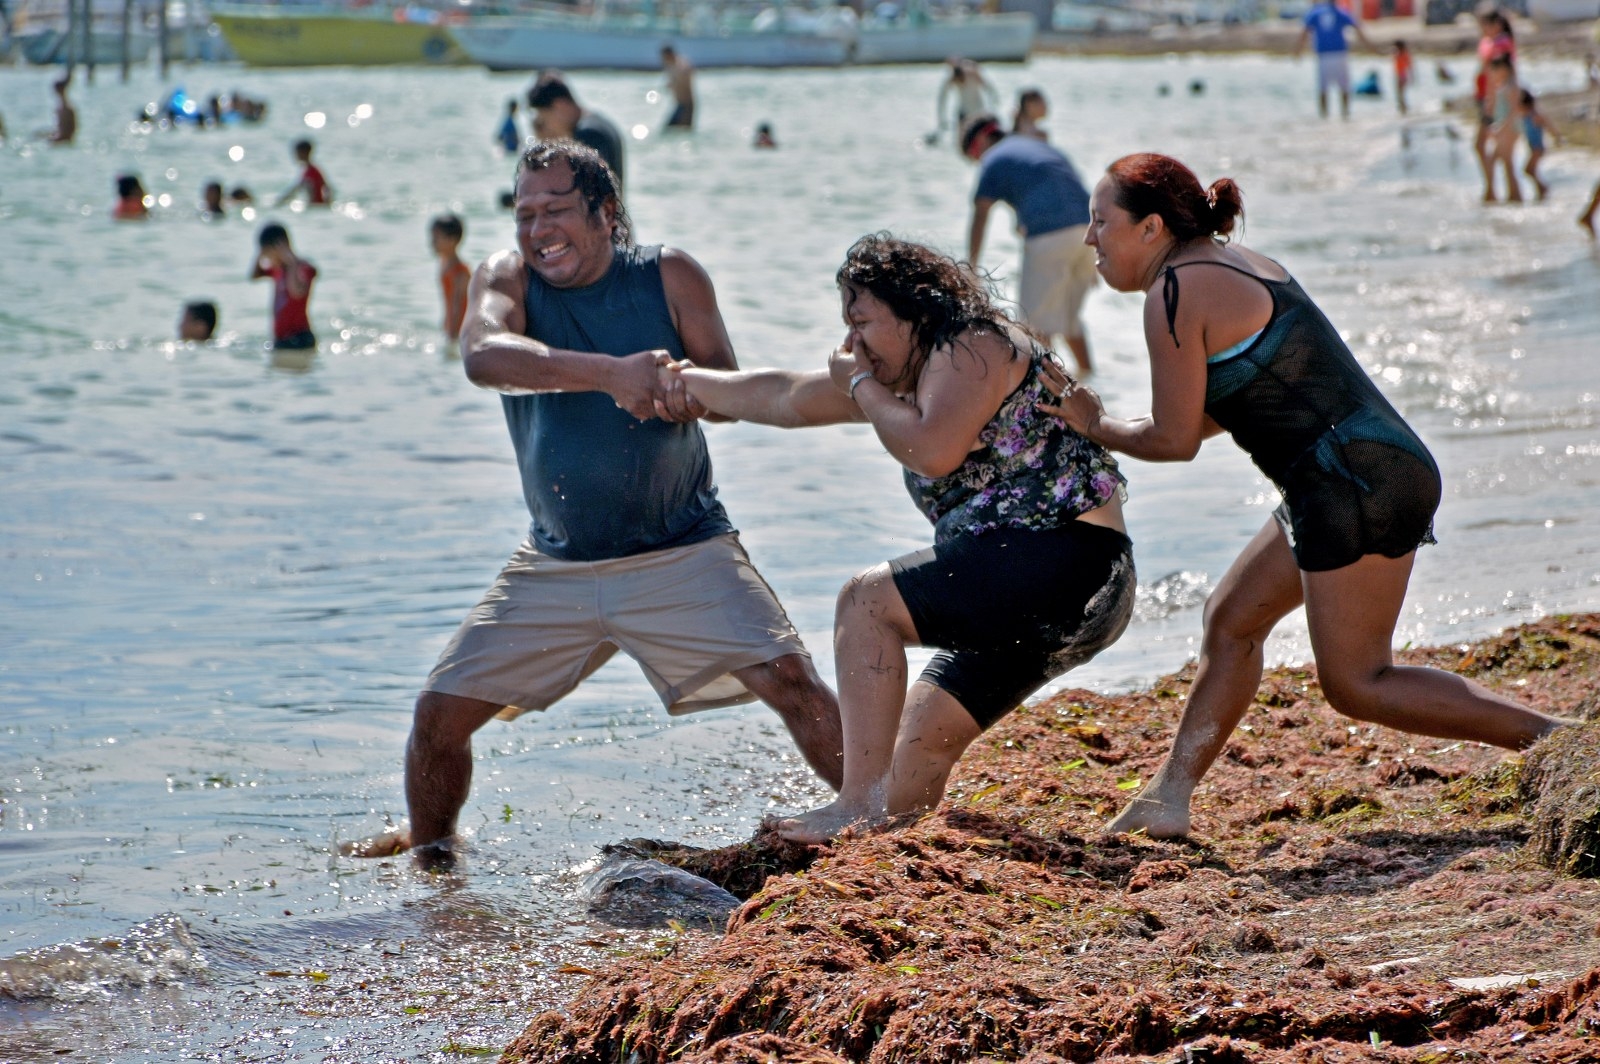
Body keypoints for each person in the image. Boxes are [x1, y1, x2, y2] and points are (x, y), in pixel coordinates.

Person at [1037, 153, 1571, 840]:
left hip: (1350, 480)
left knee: (1358, 682)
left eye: (1099, 222)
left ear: (1150, 228)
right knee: (1231, 619)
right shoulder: (1226, 262)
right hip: (1359, 469)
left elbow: (1176, 440)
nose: (1089, 240)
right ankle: (1168, 798)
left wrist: (1095, 424)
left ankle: (1556, 740)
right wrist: (1103, 427)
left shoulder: (1175, 290)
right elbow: (1217, 406)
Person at [339, 141, 843, 864]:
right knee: (437, 717)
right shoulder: (506, 278)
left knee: (793, 680)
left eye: (557, 210)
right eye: (525, 213)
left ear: (607, 214)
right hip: (557, 564)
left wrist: (680, 389)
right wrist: (611, 374)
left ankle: (881, 816)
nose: (538, 228)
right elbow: (484, 356)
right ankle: (432, 873)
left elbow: (725, 391)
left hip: (683, 547)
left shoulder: (669, 274)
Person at [659, 234, 1135, 843]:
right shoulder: (903, 384)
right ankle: (888, 849)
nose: (851, 345)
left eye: (861, 323)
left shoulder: (975, 345)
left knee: (866, 602)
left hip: (1070, 566)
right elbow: (783, 395)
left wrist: (861, 387)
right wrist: (686, 383)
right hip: (1037, 591)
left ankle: (852, 803)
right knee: (914, 758)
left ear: (915, 309)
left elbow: (933, 450)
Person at [962, 114, 1097, 378]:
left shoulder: (993, 158)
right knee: (1069, 320)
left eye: (974, 156)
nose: (978, 163)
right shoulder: (1032, 145)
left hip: (1050, 236)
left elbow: (980, 214)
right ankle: (1091, 381)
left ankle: (1045, 397)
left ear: (980, 143)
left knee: (1032, 327)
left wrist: (972, 268)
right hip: (1091, 231)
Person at [526, 73, 625, 188]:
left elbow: (583, 191)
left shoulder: (588, 134)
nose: (546, 129)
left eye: (543, 121)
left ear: (559, 106)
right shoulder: (597, 123)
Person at [1293, 0, 1376, 120]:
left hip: (1324, 55)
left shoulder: (1316, 12)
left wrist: (1298, 51)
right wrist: (1369, 47)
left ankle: (1324, 116)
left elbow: (1304, 32)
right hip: (1339, 53)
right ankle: (1345, 115)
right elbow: (1356, 27)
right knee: (1343, 87)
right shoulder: (1340, 11)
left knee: (1323, 89)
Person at [250, 222, 318, 351]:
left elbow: (297, 293)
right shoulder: (278, 270)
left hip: (299, 339)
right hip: (282, 339)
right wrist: (260, 253)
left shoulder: (303, 268)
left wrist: (291, 264)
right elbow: (254, 276)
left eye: (269, 253)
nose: (268, 258)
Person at [1472, 6, 1516, 204]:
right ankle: (1497, 192)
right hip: (1488, 99)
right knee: (1498, 151)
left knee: (1492, 148)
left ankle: (1492, 191)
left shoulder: (1502, 44)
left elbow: (1498, 75)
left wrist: (1491, 103)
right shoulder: (1489, 42)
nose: (1482, 28)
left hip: (1495, 100)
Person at [1483, 55, 1523, 204]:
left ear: (1505, 69)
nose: (1493, 73)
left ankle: (1515, 196)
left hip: (1509, 128)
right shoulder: (1504, 85)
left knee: (1503, 162)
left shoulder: (1511, 87)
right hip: (1504, 127)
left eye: (1495, 70)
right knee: (1504, 162)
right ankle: (1512, 196)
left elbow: (1514, 110)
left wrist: (1503, 127)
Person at [430, 212, 471, 341]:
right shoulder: (444, 262)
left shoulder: (460, 272)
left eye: (436, 238)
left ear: (452, 240)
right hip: (449, 327)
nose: (432, 243)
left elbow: (457, 309)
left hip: (461, 332)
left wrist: (452, 336)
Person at [937, 58, 997, 144]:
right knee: (960, 140)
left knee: (978, 137)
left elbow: (988, 86)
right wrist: (942, 117)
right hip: (964, 110)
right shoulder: (952, 77)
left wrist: (994, 101)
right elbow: (942, 97)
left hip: (978, 110)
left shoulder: (973, 73)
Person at [1519, 88, 1556, 201]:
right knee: (1530, 170)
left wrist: (1557, 136)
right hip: (1533, 147)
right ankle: (1541, 190)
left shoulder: (1534, 115)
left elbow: (1548, 123)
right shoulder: (1524, 116)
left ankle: (1543, 188)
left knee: (1528, 170)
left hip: (1538, 148)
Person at [278, 139, 332, 207]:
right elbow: (328, 188)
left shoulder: (311, 171)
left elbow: (296, 189)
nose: (295, 155)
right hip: (315, 206)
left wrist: (280, 202)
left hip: (314, 207)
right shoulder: (312, 170)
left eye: (297, 152)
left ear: (304, 152)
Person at [661, 45, 696, 130]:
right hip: (678, 104)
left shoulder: (681, 63)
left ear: (669, 55)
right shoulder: (670, 66)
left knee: (684, 130)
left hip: (687, 105)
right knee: (669, 130)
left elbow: (687, 71)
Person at [47, 76, 77, 146]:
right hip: (62, 138)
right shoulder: (63, 107)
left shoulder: (67, 109)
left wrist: (53, 138)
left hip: (64, 140)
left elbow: (69, 131)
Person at [1393, 40, 1413, 116]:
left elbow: (1409, 65)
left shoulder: (1402, 54)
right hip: (1401, 74)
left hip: (1402, 74)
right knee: (1401, 93)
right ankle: (1403, 108)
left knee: (1400, 93)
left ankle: (1403, 109)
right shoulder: (1402, 54)